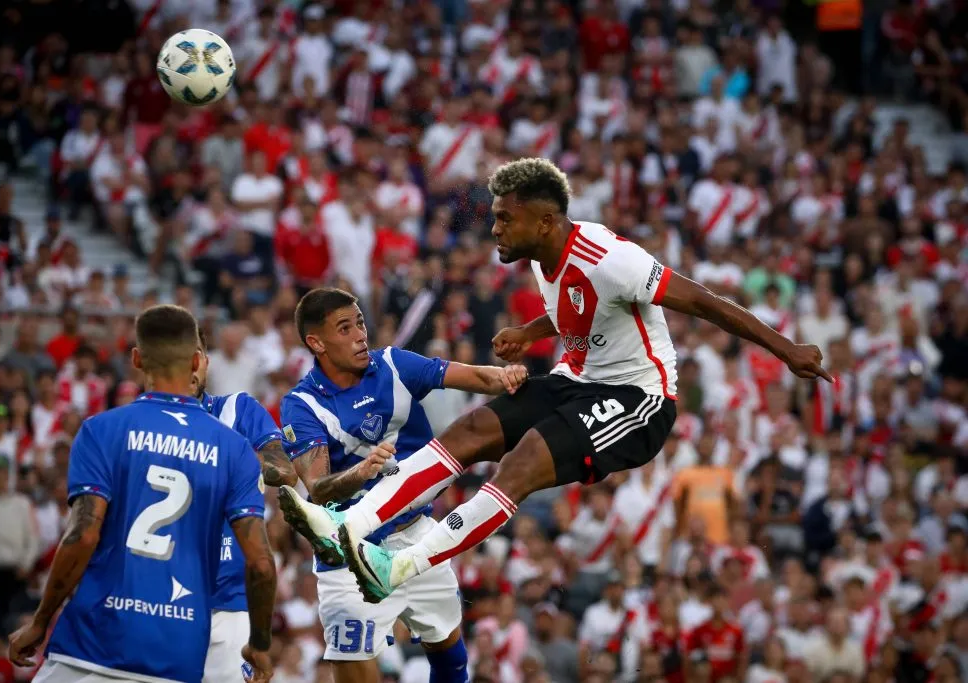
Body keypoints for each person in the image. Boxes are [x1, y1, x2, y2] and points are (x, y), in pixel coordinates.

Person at [280, 157, 832, 604]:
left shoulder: (610, 257)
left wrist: (788, 351)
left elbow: (703, 302)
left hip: (638, 399)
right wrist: (532, 330)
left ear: (544, 222)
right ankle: (346, 525)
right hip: (575, 380)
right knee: (470, 432)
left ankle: (396, 567)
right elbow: (582, 307)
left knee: (519, 464)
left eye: (504, 219)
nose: (494, 227)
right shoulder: (543, 256)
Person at [7, 304, 278, 683]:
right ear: (198, 360)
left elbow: (83, 534)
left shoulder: (101, 429)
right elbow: (262, 564)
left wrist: (41, 620)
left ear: (136, 358)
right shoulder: (233, 448)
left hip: (95, 641)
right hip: (178, 652)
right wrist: (261, 645)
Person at [277, 286, 528, 683]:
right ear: (316, 342)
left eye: (360, 322)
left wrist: (506, 376)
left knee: (452, 659)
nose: (360, 334)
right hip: (349, 553)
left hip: (417, 536)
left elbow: (476, 376)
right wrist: (359, 475)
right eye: (344, 328)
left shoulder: (393, 364)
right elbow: (319, 488)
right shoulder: (302, 404)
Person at [194, 330, 299, 683]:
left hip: (232, 599)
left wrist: (241, 460)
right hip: (166, 599)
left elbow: (284, 470)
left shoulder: (236, 408)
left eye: (198, 355)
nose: (191, 366)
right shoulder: (143, 421)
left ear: (207, 361)